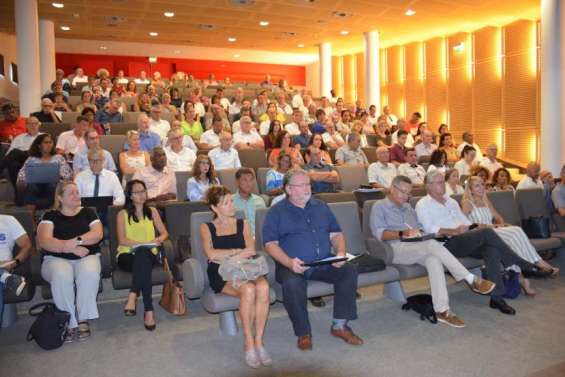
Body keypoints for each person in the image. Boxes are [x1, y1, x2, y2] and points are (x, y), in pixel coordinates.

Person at [415, 171, 551, 315]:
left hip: (464, 238)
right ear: (428, 186)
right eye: (438, 182)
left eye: (443, 181)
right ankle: (524, 265)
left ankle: (496, 298)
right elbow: (430, 229)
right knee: (487, 233)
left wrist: (470, 228)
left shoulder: (451, 201)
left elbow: (466, 222)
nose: (442, 185)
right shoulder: (423, 204)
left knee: (491, 249)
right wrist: (454, 231)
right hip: (446, 244)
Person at [370, 175, 495, 327]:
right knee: (431, 244)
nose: (406, 196)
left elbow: (418, 229)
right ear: (392, 188)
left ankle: (442, 310)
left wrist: (429, 234)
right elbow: (380, 234)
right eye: (403, 192)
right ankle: (470, 279)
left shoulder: (408, 207)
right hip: (394, 248)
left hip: (415, 246)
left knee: (434, 260)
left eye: (409, 193)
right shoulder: (379, 206)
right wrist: (402, 233)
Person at [263, 168, 362, 350]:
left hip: (322, 261)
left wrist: (340, 253)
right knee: (292, 284)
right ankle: (303, 333)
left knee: (348, 270)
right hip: (292, 264)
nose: (307, 189)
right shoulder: (276, 212)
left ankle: (339, 325)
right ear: (288, 189)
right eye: (301, 186)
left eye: (308, 184)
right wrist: (289, 263)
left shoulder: (321, 206)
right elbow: (270, 244)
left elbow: (336, 233)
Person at [200, 186, 271, 368]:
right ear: (215, 208)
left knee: (263, 287)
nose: (232, 205)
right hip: (221, 273)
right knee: (248, 289)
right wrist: (236, 252)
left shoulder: (243, 223)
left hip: (247, 268)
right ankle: (248, 342)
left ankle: (259, 340)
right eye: (226, 203)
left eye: (231, 201)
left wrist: (233, 255)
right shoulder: (207, 227)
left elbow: (251, 250)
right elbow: (210, 254)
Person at [461, 176, 559, 294]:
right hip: (481, 235)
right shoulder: (467, 203)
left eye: (482, 184)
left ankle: (523, 279)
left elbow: (497, 217)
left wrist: (501, 224)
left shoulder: (485, 201)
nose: (481, 187)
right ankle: (538, 264)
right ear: (470, 189)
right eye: (477, 185)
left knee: (512, 243)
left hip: (493, 232)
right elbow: (463, 224)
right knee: (516, 231)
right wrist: (489, 226)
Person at [37, 181, 104, 342]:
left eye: (77, 192)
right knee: (61, 275)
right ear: (60, 197)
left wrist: (76, 241)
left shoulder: (88, 212)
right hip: (55, 259)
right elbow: (44, 241)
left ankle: (83, 318)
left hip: (86, 256)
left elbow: (97, 234)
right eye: (71, 193)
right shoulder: (50, 216)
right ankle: (67, 321)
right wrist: (69, 248)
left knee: (90, 273)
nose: (77, 195)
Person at [117, 180, 168, 331]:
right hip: (126, 255)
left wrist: (158, 239)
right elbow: (122, 240)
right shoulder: (122, 214)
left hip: (149, 254)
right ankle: (149, 311)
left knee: (143, 254)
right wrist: (141, 244)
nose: (141, 194)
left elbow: (165, 233)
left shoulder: (152, 211)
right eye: (137, 192)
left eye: (143, 191)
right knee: (142, 255)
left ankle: (133, 295)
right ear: (130, 196)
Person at [17, 134, 72, 209]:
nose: (49, 145)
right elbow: (21, 175)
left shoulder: (58, 158)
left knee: (52, 185)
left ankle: (51, 213)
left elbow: (68, 175)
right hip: (35, 186)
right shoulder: (32, 159)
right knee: (31, 186)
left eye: (50, 142)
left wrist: (58, 175)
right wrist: (30, 177)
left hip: (53, 185)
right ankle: (30, 218)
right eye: (46, 142)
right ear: (39, 145)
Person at [0, 214, 32, 324]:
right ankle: (6, 278)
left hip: (6, 266)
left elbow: (26, 245)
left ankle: (4, 276)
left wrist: (15, 262)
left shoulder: (8, 220)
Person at [0, 116, 42, 197]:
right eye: (30, 124)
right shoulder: (19, 138)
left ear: (39, 125)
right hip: (21, 162)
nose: (33, 126)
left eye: (35, 124)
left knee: (16, 152)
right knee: (13, 164)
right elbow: (9, 155)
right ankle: (19, 193)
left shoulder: (44, 136)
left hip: (36, 160)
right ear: (26, 126)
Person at [232, 168, 267, 237]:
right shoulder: (230, 201)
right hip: (240, 240)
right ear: (237, 182)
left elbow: (265, 223)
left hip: (260, 239)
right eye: (245, 180)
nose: (248, 183)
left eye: (251, 180)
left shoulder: (259, 200)